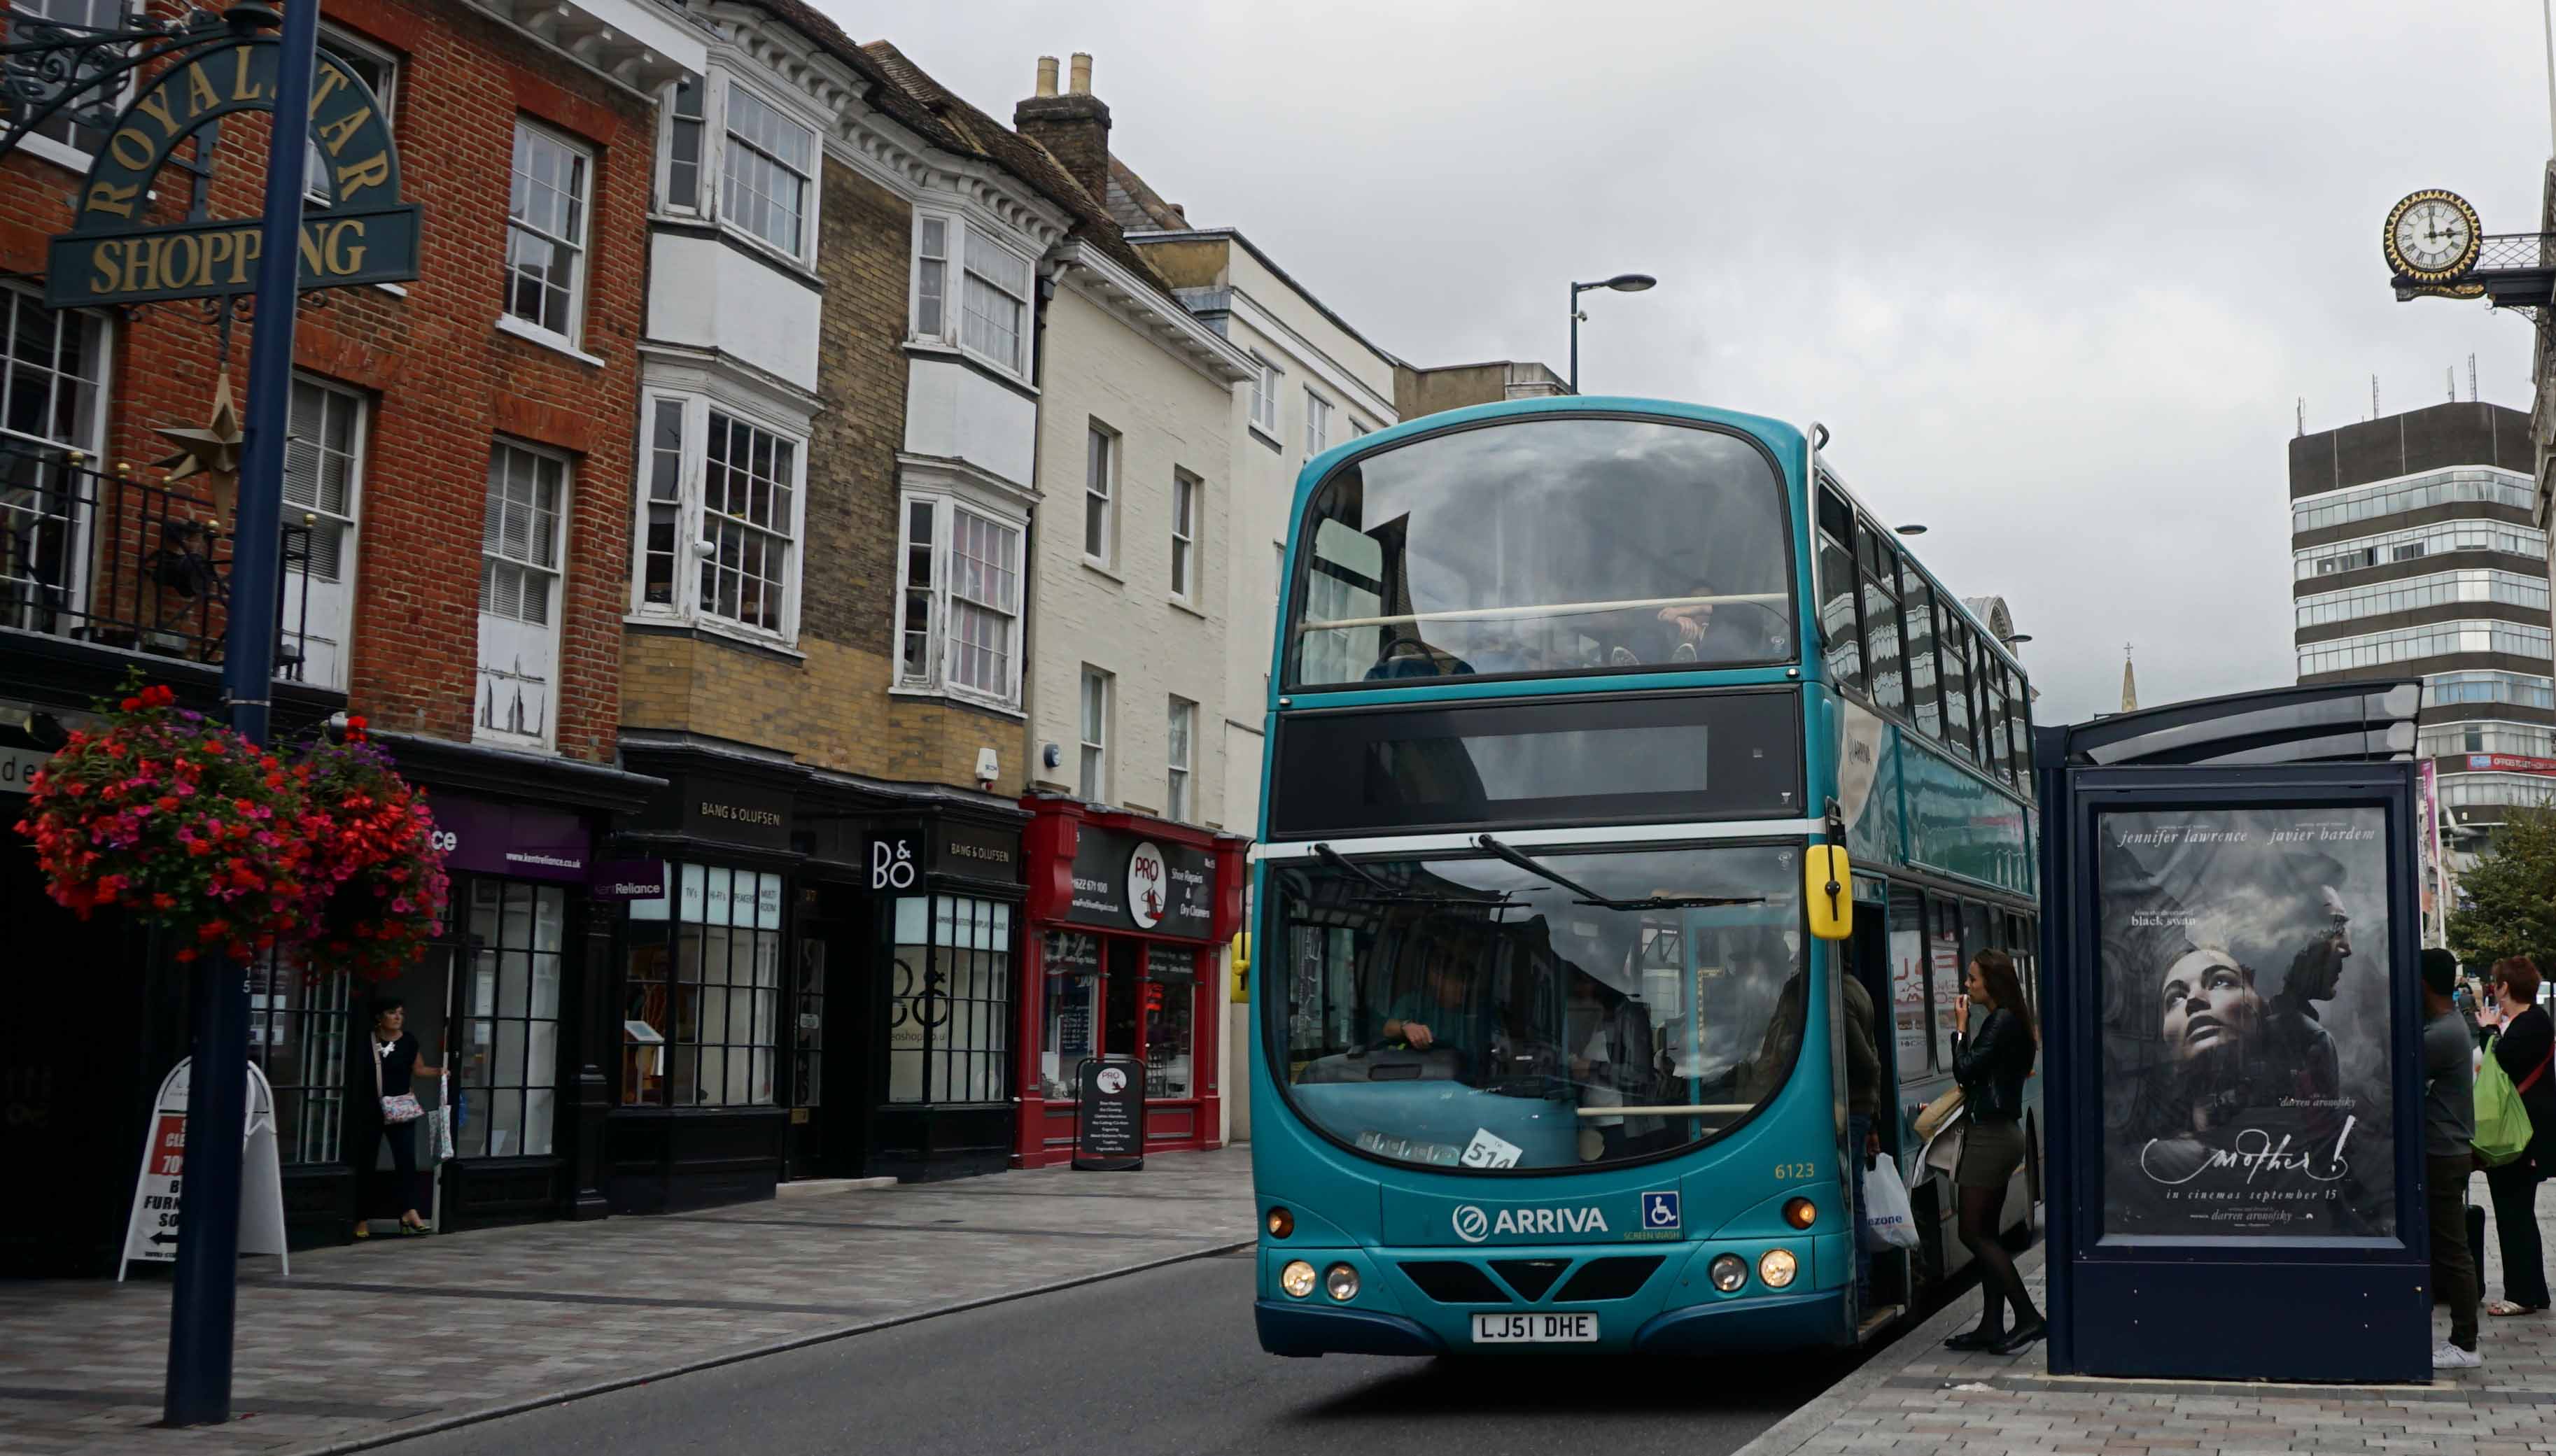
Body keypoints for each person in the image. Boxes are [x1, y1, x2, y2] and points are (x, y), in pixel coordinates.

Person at [1944, 949, 2044, 1355]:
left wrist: (1961, 1029)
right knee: (1986, 1233)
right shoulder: (2012, 1020)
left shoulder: (1999, 1021)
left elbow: (1965, 1070)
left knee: (1971, 1231)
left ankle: (2028, 1317)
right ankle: (1990, 1325)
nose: (1967, 986)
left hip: (1990, 1137)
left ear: (1993, 982)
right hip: (2002, 1132)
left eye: (1972, 979)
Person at [2484, 956, 2555, 1318]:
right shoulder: (2532, 1020)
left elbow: (2504, 1063)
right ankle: (2533, 1291)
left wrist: (2489, 1031)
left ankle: (2522, 1294)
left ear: (2506, 987)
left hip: (2521, 1137)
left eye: (2495, 983)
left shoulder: (2529, 1023)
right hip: (2525, 1134)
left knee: (2514, 1214)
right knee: (2518, 1212)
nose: (2493, 989)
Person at [2422, 947, 2483, 1368]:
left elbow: (2390, 1068)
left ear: (2423, 984)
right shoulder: (2448, 1026)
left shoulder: (2442, 1034)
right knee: (2447, 1244)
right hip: (2446, 1150)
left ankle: (2464, 1344)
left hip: (2442, 1153)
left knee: (2451, 1248)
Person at [351, 995, 442, 1238]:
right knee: (366, 1162)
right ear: (379, 1018)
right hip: (371, 1109)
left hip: (401, 1109)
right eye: (392, 1013)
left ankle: (409, 1212)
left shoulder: (409, 1041)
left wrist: (441, 1072)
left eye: (401, 1013)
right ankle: (361, 1218)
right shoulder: (366, 1042)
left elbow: (419, 1070)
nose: (398, 1017)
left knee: (406, 1160)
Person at [1841, 968, 1883, 1313]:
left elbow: (1864, 1059)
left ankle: (1862, 1292)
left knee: (1850, 1197)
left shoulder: (1839, 993)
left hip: (1846, 1108)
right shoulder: (1858, 987)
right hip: (1861, 1108)